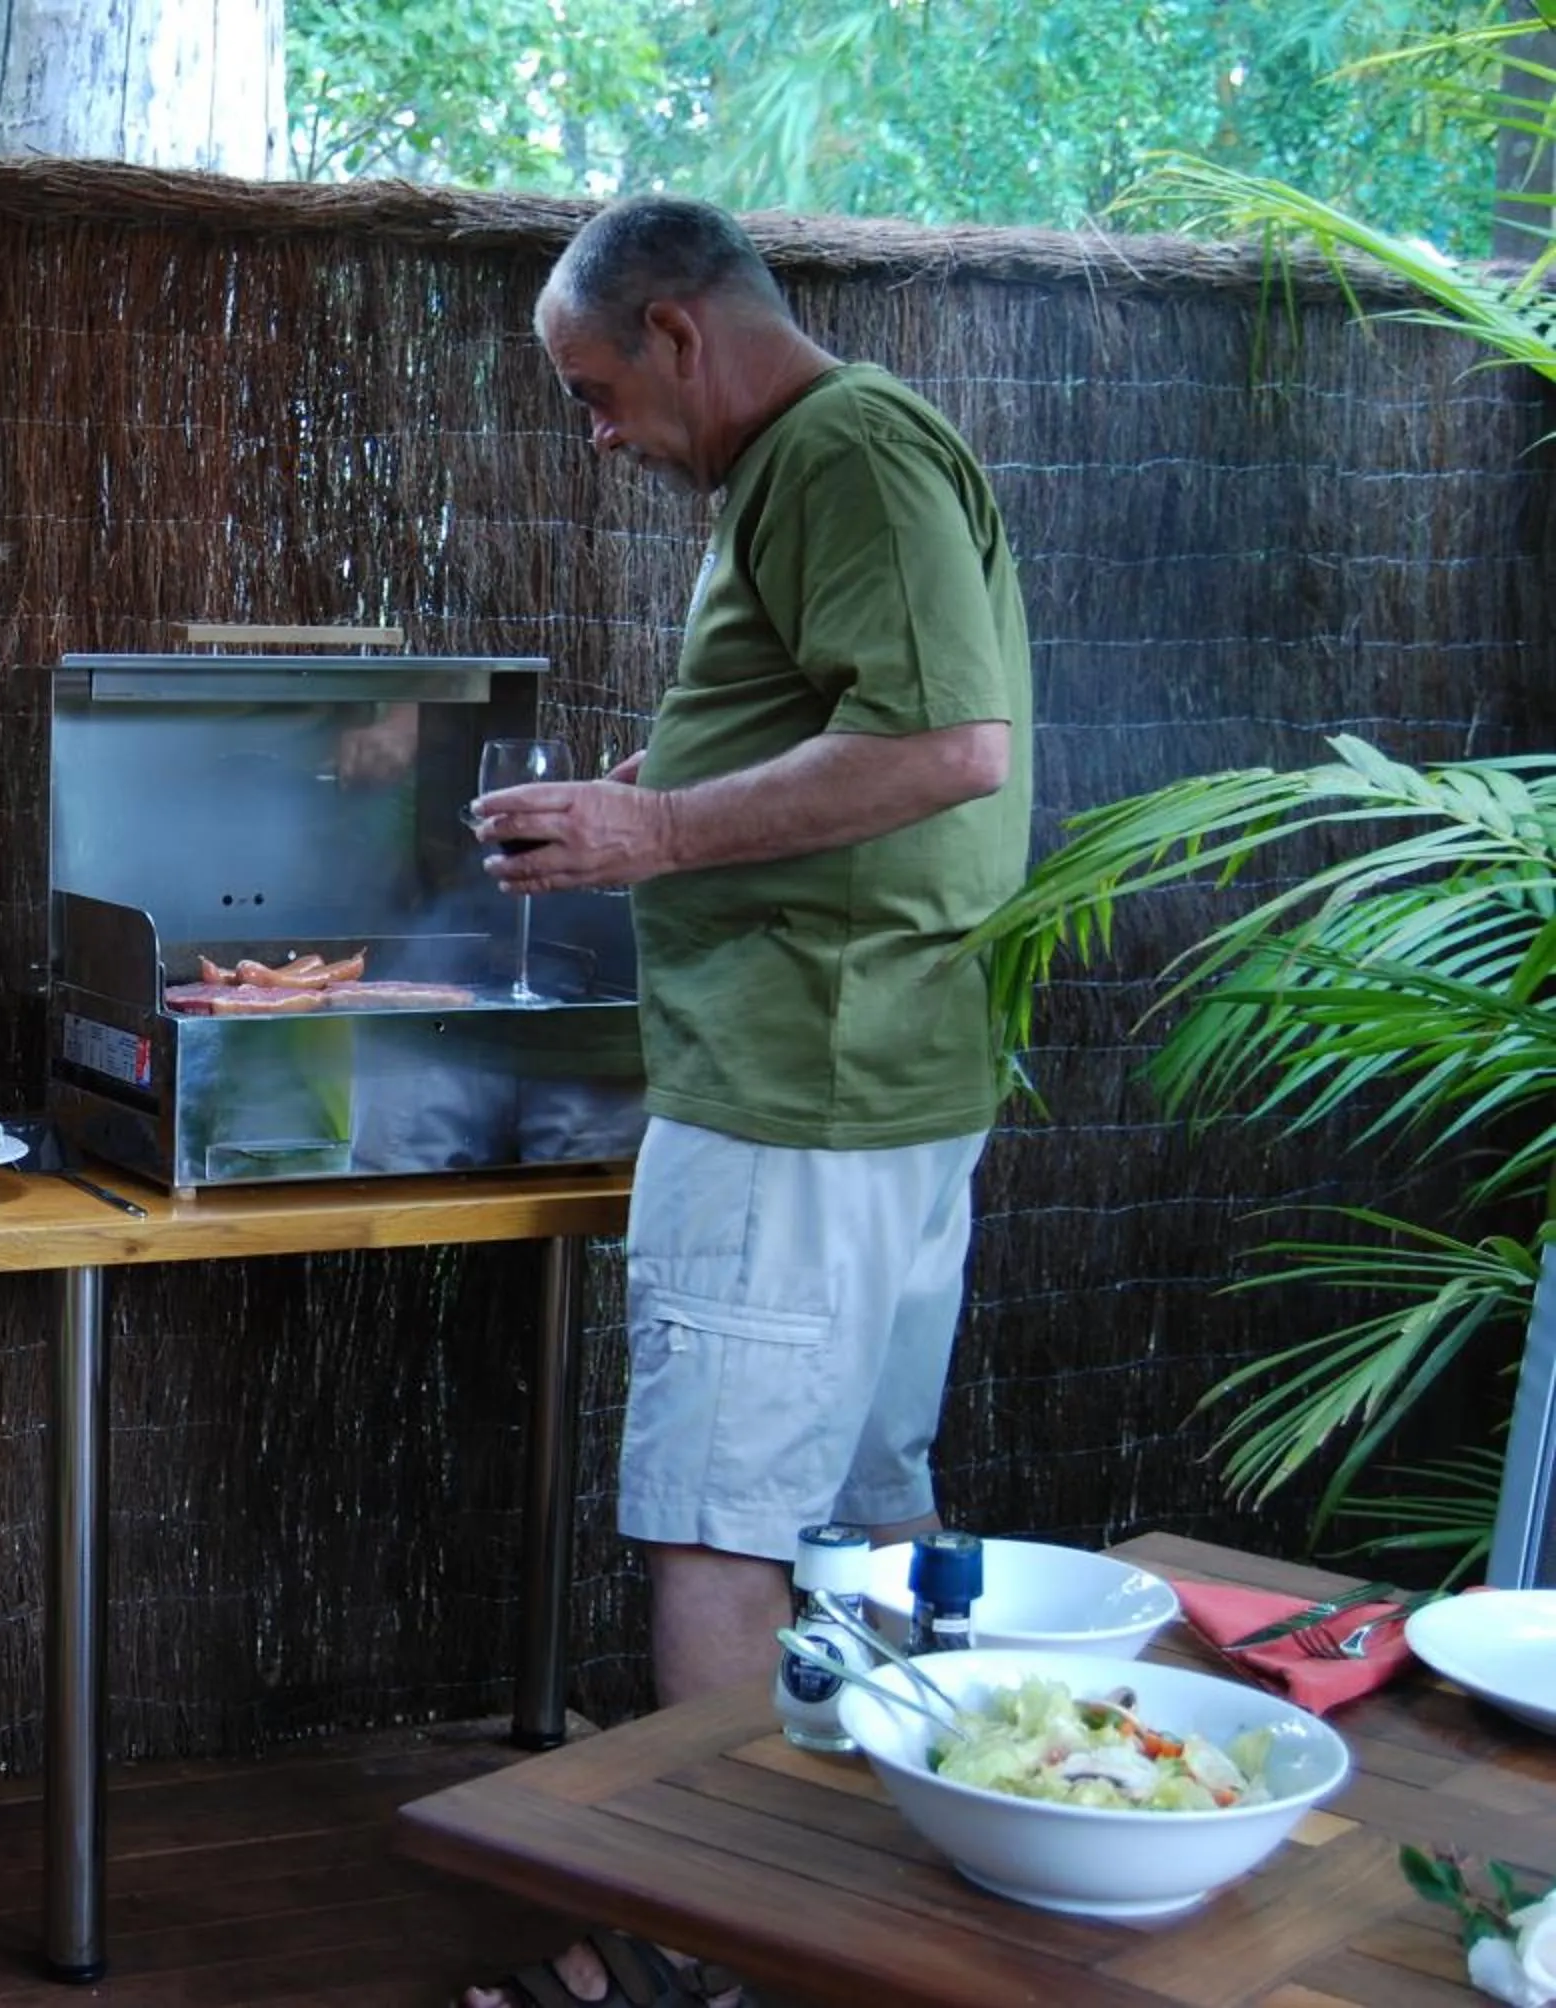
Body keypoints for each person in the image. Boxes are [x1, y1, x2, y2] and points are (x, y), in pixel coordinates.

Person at [457, 195, 1034, 2008]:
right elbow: (866, 716)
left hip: (800, 1084)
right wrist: (671, 773)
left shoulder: (839, 452)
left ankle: (692, 1960)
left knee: (721, 1527)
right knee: (860, 1525)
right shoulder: (822, 460)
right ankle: (835, 1937)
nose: (598, 436)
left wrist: (661, 827)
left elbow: (950, 749)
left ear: (680, 332)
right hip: (872, 1072)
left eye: (594, 391)